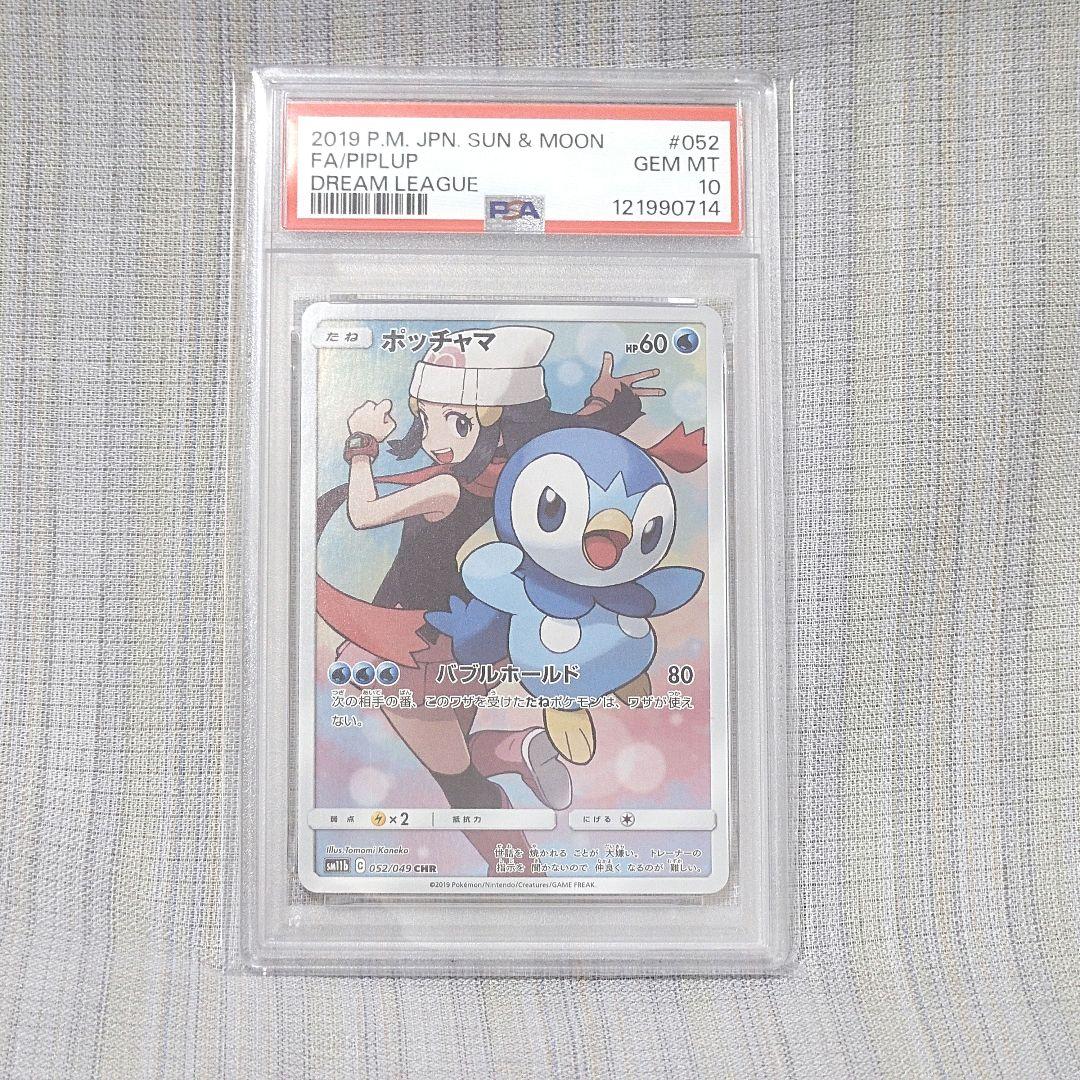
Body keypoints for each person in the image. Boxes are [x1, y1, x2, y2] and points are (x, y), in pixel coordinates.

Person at [317, 325, 665, 874]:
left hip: (410, 646)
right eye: (426, 419)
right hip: (471, 641)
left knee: (456, 780)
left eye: (458, 422)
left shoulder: (448, 487)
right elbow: (578, 428)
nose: (436, 440)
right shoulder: (528, 475)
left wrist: (362, 444)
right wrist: (604, 403)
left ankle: (517, 867)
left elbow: (362, 514)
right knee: (451, 749)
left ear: (499, 421)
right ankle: (514, 750)